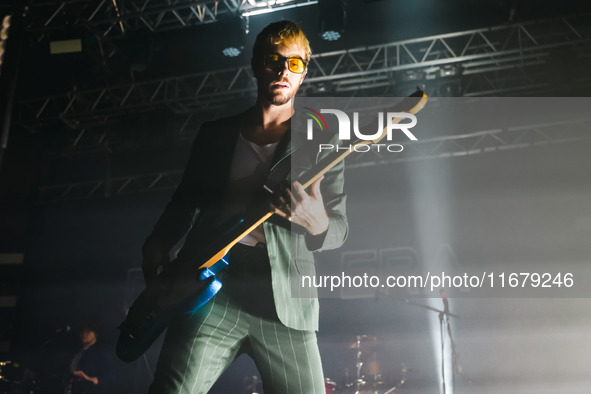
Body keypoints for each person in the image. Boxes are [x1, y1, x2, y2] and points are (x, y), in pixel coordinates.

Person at [142, 20, 348, 394]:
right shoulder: (215, 134)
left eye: (295, 64)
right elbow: (186, 201)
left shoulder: (324, 142)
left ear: (304, 73)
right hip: (211, 290)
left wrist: (317, 224)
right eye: (274, 60)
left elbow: (339, 227)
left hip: (284, 302)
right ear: (256, 66)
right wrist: (159, 238)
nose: (284, 71)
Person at [65, 324, 114, 394]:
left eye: (88, 331)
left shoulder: (101, 354)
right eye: (82, 331)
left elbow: (111, 378)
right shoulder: (76, 351)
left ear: (96, 334)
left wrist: (92, 379)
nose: (84, 334)